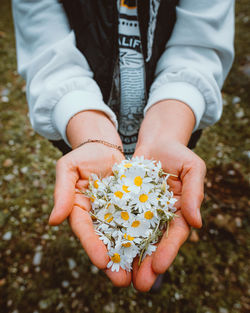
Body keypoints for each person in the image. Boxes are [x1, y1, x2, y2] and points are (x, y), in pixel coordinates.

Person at [12, 0, 234, 291]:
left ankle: (145, 248)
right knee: (97, 197)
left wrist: (172, 121)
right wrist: (83, 120)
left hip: (172, 123)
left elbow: (202, 41)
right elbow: (43, 37)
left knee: (165, 200)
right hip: (86, 125)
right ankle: (122, 247)